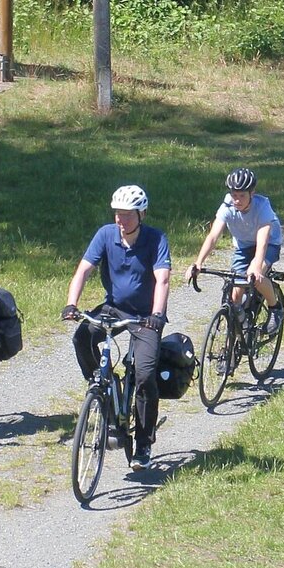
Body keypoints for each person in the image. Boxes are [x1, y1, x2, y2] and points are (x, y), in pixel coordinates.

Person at [63, 185, 172, 468]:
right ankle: (103, 387)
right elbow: (83, 269)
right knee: (81, 338)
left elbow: (162, 279)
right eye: (117, 215)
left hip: (146, 316)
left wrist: (157, 314)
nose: (121, 221)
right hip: (114, 308)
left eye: (127, 215)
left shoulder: (156, 239)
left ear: (141, 214)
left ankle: (144, 443)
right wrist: (71, 304)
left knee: (145, 375)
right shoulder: (105, 235)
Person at [188, 168, 284, 338]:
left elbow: (262, 241)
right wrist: (198, 263)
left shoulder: (262, 206)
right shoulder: (227, 205)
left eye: (242, 196)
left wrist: (256, 267)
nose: (237, 200)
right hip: (243, 246)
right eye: (234, 195)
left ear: (252, 193)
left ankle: (275, 308)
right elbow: (213, 237)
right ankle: (241, 327)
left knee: (255, 276)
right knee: (234, 295)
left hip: (269, 243)